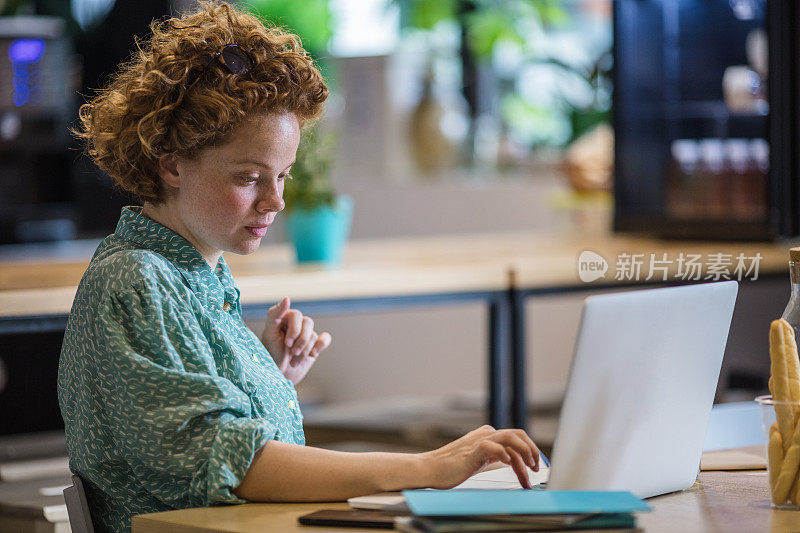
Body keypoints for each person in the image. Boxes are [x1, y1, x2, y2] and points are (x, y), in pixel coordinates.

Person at [57, 2, 541, 532]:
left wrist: (268, 374)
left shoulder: (195, 276)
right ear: (171, 163)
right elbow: (232, 466)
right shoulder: (136, 280)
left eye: (283, 175)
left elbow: (208, 447)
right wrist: (426, 467)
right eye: (249, 177)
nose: (276, 202)